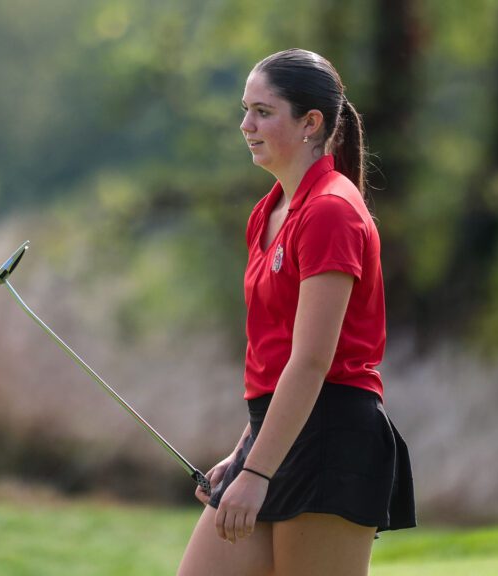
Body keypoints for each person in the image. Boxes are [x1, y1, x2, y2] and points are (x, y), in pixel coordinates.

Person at [177, 48, 415, 576]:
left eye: (263, 112)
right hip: (280, 434)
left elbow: (311, 361)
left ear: (311, 123)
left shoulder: (331, 210)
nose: (246, 125)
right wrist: (247, 449)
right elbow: (277, 355)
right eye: (246, 110)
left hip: (332, 439)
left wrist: (256, 472)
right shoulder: (268, 212)